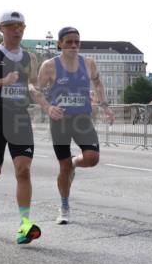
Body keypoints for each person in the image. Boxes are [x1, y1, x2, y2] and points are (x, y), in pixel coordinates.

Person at [0, 11, 46, 244]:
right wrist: (2, 82)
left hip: (19, 119)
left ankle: (24, 225)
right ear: (1, 28)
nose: (17, 30)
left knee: (23, 170)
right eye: (11, 25)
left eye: (21, 26)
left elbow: (32, 85)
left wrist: (40, 96)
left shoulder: (30, 58)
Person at [36, 26, 115, 224]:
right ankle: (64, 206)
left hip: (82, 119)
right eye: (69, 42)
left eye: (76, 42)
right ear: (59, 44)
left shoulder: (88, 63)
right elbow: (34, 89)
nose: (73, 45)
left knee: (92, 158)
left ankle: (74, 163)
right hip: (60, 122)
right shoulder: (49, 66)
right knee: (63, 168)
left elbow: (98, 83)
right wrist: (48, 108)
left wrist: (105, 106)